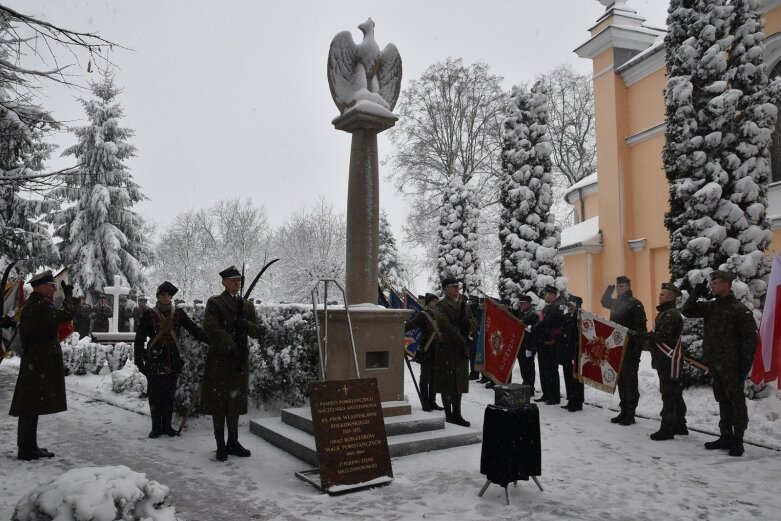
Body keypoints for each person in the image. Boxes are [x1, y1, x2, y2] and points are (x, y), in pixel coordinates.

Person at [681, 271, 757, 457]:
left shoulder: (740, 310)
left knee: (736, 401)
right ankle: (725, 435)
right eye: (712, 283)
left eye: (715, 283)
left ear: (726, 285)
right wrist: (695, 293)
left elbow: (750, 341)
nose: (712, 286)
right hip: (715, 364)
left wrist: (743, 367)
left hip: (733, 366)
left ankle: (738, 440)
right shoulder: (711, 307)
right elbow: (687, 311)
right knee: (722, 400)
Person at [8, 271, 77, 460]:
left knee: (30, 404)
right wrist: (69, 297)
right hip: (38, 361)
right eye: (51, 286)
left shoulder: (35, 304)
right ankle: (27, 449)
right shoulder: (40, 306)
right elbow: (65, 315)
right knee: (30, 405)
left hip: (35, 359)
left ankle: (28, 446)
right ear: (40, 287)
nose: (54, 289)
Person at [201, 266, 263, 461]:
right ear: (224, 282)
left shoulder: (246, 306)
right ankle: (221, 445)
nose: (237, 284)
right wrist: (232, 344)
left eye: (239, 280)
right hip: (220, 359)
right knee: (219, 403)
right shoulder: (215, 303)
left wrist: (246, 324)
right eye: (232, 280)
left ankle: (233, 442)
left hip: (238, 361)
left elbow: (258, 331)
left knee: (234, 402)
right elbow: (211, 329)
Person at [135, 281, 208, 439]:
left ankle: (167, 426)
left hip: (172, 359)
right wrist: (139, 360)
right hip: (155, 359)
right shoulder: (149, 314)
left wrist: (209, 340)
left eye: (169, 295)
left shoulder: (179, 313)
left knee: (169, 395)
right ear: (158, 296)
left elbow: (194, 329)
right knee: (155, 395)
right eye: (163, 295)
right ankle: (156, 427)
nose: (166, 298)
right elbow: (139, 338)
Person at [601, 275, 647, 425]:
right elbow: (604, 301)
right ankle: (623, 410)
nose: (618, 288)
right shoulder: (615, 303)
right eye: (617, 286)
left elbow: (640, 329)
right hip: (617, 349)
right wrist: (609, 288)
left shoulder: (635, 304)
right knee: (621, 381)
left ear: (628, 287)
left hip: (630, 349)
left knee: (630, 382)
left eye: (621, 286)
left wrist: (636, 350)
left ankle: (631, 413)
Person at [643, 282, 686, 440]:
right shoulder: (665, 313)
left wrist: (645, 336)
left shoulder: (670, 314)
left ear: (672, 296)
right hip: (664, 359)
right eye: (660, 294)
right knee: (674, 392)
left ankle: (667, 428)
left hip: (668, 360)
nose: (659, 297)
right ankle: (680, 425)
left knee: (668, 393)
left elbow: (663, 336)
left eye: (663, 294)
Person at [433, 276, 476, 427]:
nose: (456, 289)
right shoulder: (441, 305)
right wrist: (461, 337)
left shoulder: (464, 304)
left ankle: (458, 414)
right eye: (452, 286)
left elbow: (474, 322)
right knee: (447, 383)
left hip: (461, 349)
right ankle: (449, 414)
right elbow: (444, 325)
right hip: (448, 347)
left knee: (459, 383)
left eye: (457, 286)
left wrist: (468, 326)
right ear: (445, 289)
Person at [405, 293, 442, 412]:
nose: (436, 302)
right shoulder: (422, 315)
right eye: (433, 300)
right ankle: (425, 402)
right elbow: (411, 325)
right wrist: (397, 327)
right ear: (427, 303)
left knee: (434, 378)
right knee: (425, 378)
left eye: (436, 300)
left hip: (438, 350)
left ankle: (432, 401)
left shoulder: (439, 315)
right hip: (426, 350)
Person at [535, 285, 565, 405]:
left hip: (552, 343)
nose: (544, 296)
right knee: (543, 370)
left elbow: (547, 322)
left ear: (552, 295)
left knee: (551, 370)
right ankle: (546, 393)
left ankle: (554, 396)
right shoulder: (548, 307)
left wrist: (535, 328)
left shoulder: (557, 307)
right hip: (544, 343)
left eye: (546, 294)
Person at [559, 295, 585, 412]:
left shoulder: (580, 318)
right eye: (568, 305)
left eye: (571, 305)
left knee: (576, 378)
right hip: (566, 351)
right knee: (568, 377)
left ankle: (578, 402)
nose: (569, 307)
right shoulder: (566, 317)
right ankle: (571, 399)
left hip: (576, 352)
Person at [515, 294, 540, 389]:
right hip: (522, 345)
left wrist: (530, 347)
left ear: (529, 303)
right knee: (523, 367)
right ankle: (526, 384)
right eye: (520, 303)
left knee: (529, 367)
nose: (521, 305)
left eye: (523, 303)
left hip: (528, 345)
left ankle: (530, 387)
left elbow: (534, 333)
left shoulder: (533, 314)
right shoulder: (523, 313)